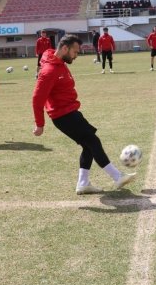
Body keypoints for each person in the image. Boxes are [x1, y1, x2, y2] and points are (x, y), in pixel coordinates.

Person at [32, 34, 136, 194]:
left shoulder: (57, 60)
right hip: (63, 116)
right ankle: (117, 176)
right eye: (75, 52)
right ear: (65, 48)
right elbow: (37, 99)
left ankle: (83, 183)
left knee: (88, 146)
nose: (76, 56)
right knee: (93, 141)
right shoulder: (49, 70)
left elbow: (49, 53)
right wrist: (39, 124)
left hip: (71, 112)